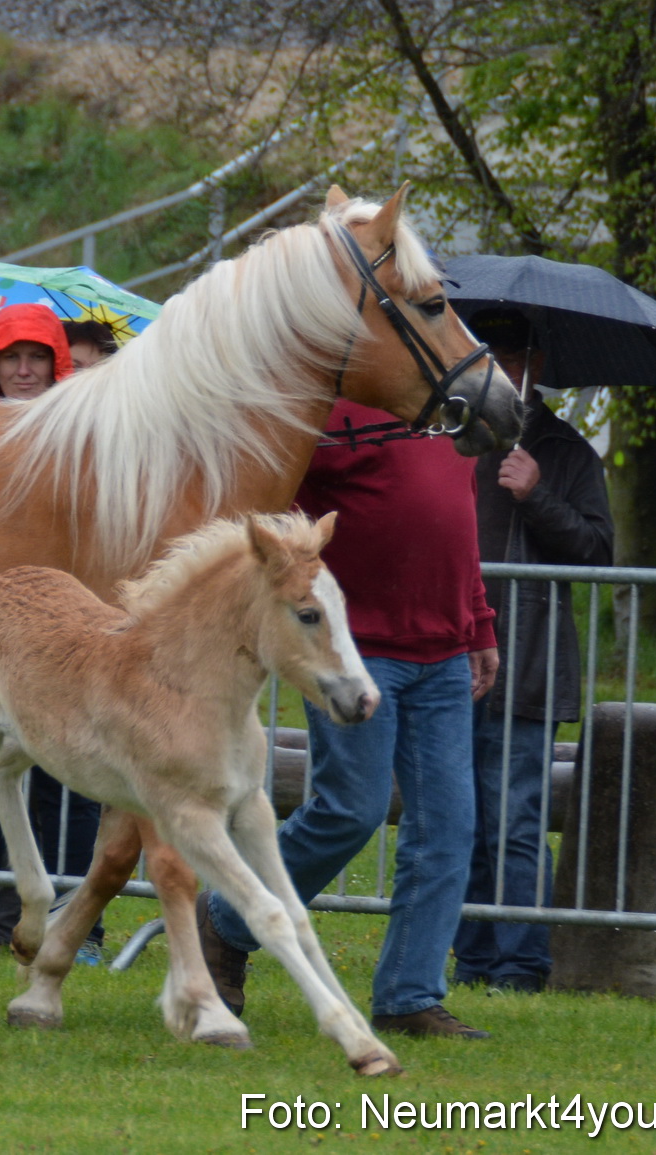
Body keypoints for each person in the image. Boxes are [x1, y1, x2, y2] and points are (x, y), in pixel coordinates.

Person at [198, 394, 501, 1039]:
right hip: (355, 651)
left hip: (443, 654)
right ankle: (227, 920)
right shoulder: (327, 414)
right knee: (350, 810)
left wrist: (478, 623)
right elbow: (270, 508)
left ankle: (409, 995)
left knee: (448, 827)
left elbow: (461, 525)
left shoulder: (451, 412)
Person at [0, 302, 108, 962]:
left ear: (56, 364)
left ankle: (75, 925)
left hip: (68, 618)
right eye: (13, 358)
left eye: (37, 357)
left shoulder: (86, 434)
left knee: (74, 772)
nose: (26, 370)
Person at [453, 309, 612, 992]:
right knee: (460, 819)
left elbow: (600, 553)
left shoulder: (567, 450)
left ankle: (520, 963)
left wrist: (537, 491)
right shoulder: (450, 437)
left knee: (515, 817)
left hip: (532, 664)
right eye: (482, 351)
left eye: (508, 354)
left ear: (536, 364)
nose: (494, 365)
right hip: (452, 659)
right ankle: (473, 955)